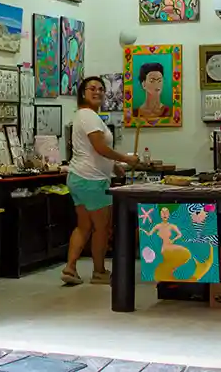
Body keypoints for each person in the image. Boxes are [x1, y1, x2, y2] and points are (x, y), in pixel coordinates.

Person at [62, 76, 139, 286]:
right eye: (92, 88)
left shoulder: (84, 116)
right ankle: (99, 272)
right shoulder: (89, 116)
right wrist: (125, 158)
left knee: (84, 226)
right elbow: (99, 147)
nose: (97, 92)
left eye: (101, 89)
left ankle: (70, 268)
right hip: (92, 180)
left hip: (78, 177)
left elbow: (93, 151)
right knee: (102, 228)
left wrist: (114, 167)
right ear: (83, 93)